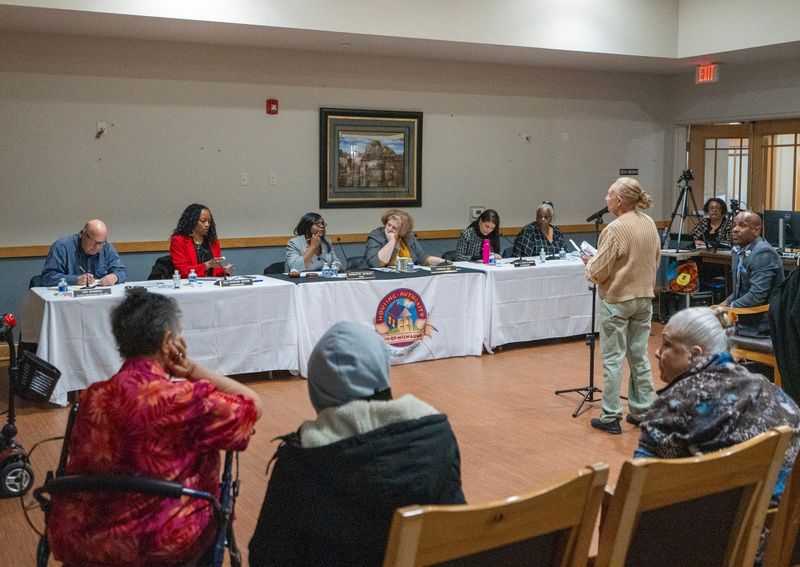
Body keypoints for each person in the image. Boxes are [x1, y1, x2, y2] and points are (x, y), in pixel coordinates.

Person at [46, 288, 262, 567]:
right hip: (162, 543)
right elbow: (252, 405)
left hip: (87, 544)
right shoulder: (184, 399)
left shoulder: (92, 397)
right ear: (169, 341)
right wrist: (192, 370)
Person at [248, 321, 465, 567]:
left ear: (317, 386)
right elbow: (456, 532)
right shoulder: (435, 435)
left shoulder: (300, 461)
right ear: (381, 370)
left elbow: (267, 556)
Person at [637, 306, 800, 502]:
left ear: (694, 354)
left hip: (715, 528)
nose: (656, 352)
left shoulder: (674, 406)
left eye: (666, 344)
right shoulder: (769, 389)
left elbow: (639, 490)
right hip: (779, 527)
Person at [583, 177, 660, 434]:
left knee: (613, 359)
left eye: (608, 194)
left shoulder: (614, 229)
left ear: (618, 201)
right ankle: (643, 410)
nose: (605, 199)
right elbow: (655, 259)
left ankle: (610, 416)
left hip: (617, 300)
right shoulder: (649, 223)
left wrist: (589, 264)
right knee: (639, 356)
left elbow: (600, 271)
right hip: (644, 298)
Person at [719, 210, 785, 338]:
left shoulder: (764, 253)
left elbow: (756, 296)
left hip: (760, 325)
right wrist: (725, 303)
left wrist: (726, 311)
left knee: (707, 330)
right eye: (734, 225)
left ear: (756, 230)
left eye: (742, 225)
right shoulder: (738, 251)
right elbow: (741, 290)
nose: (735, 230)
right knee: (699, 328)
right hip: (741, 317)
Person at [41, 219, 127, 286]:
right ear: (83, 234)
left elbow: (121, 271)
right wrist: (75, 279)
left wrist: (115, 277)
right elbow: (48, 277)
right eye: (93, 242)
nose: (97, 247)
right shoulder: (62, 247)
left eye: (101, 242)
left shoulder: (107, 248)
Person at [364, 209, 446, 268]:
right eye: (388, 225)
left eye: (394, 228)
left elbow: (421, 258)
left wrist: (440, 261)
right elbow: (375, 263)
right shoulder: (376, 235)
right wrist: (392, 241)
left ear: (402, 231)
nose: (389, 229)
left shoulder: (408, 237)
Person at [170, 203, 234, 278]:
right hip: (189, 285)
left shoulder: (213, 241)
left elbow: (215, 272)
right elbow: (182, 271)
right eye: (203, 221)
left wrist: (225, 271)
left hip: (210, 286)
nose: (207, 225)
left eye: (209, 221)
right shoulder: (178, 241)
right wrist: (207, 265)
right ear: (192, 221)